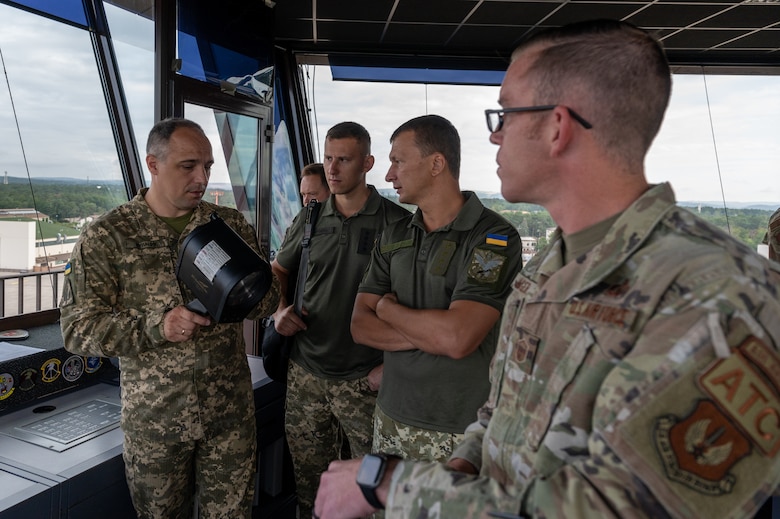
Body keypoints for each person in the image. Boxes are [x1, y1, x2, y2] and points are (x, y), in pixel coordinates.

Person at [314, 19, 780, 519]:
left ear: (557, 127)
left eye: (505, 114)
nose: (494, 137)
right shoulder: (547, 270)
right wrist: (461, 469)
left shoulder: (726, 300)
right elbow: (499, 417)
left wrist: (388, 485)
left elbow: (619, 509)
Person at [59, 118, 280, 519]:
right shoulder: (108, 236)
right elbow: (78, 330)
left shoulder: (226, 225)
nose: (202, 177)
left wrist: (243, 294)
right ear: (153, 164)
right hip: (156, 422)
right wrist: (158, 327)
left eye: (209, 166)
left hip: (227, 412)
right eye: (188, 165)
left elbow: (268, 303)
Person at [351, 114, 523, 464]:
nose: (388, 175)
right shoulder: (395, 235)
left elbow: (458, 338)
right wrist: (433, 334)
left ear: (436, 164)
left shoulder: (493, 237)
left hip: (461, 433)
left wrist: (389, 311)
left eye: (398, 161)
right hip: (391, 419)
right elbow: (359, 326)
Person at [271, 121, 410, 517]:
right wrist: (281, 310)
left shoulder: (396, 224)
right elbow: (279, 270)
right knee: (311, 486)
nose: (332, 169)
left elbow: (415, 304)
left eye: (343, 160)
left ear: (367, 163)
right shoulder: (312, 217)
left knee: (369, 492)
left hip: (363, 378)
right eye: (329, 158)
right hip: (307, 373)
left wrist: (390, 365)